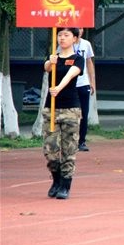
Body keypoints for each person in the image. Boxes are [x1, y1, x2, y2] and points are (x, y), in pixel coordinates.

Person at [43, 27, 85, 199]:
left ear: (74, 38)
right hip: (51, 108)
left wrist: (58, 88)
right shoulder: (53, 58)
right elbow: (46, 69)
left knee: (69, 148)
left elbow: (70, 74)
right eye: (60, 35)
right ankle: (56, 179)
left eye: (66, 35)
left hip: (70, 109)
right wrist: (50, 62)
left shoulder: (77, 59)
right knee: (50, 150)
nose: (62, 38)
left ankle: (65, 185)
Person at [60, 27, 96, 152]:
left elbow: (89, 63)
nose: (79, 30)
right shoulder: (64, 44)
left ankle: (82, 141)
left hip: (83, 84)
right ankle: (68, 141)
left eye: (81, 28)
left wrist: (92, 82)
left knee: (83, 114)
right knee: (70, 114)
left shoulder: (86, 44)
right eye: (76, 28)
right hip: (69, 85)